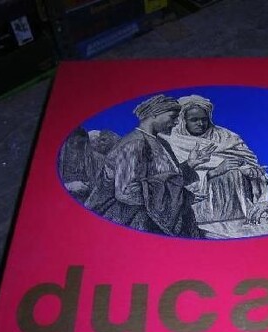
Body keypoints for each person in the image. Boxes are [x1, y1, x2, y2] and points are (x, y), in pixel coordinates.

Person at [84, 94, 214, 237]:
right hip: (132, 223)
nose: (177, 122)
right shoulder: (134, 144)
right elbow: (126, 192)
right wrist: (179, 197)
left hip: (157, 220)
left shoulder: (162, 143)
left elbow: (168, 179)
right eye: (172, 117)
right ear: (154, 114)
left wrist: (190, 163)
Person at [161, 95, 268, 222]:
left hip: (236, 208)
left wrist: (250, 170)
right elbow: (172, 181)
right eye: (194, 120)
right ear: (183, 120)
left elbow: (248, 161)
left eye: (204, 119)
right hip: (200, 212)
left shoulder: (227, 137)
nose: (200, 124)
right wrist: (215, 171)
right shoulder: (171, 142)